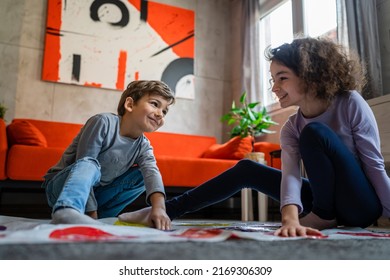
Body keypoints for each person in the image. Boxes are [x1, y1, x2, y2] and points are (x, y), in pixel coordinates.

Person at [119, 37, 390, 237]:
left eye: (282, 78)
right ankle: (168, 209)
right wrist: (290, 218)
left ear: (310, 75)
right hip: (322, 204)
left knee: (316, 132)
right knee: (248, 168)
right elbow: (291, 176)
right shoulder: (292, 127)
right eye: (272, 79)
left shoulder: (349, 102)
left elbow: (373, 165)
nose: (274, 87)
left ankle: (323, 216)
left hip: (359, 205)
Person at [43, 80, 175, 230]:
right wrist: (91, 214)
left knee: (142, 175)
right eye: (155, 104)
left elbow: (151, 172)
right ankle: (67, 210)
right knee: (89, 163)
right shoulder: (102, 122)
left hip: (99, 194)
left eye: (164, 111)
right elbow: (84, 162)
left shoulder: (144, 145)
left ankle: (109, 218)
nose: (160, 114)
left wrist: (160, 208)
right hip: (62, 187)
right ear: (130, 105)